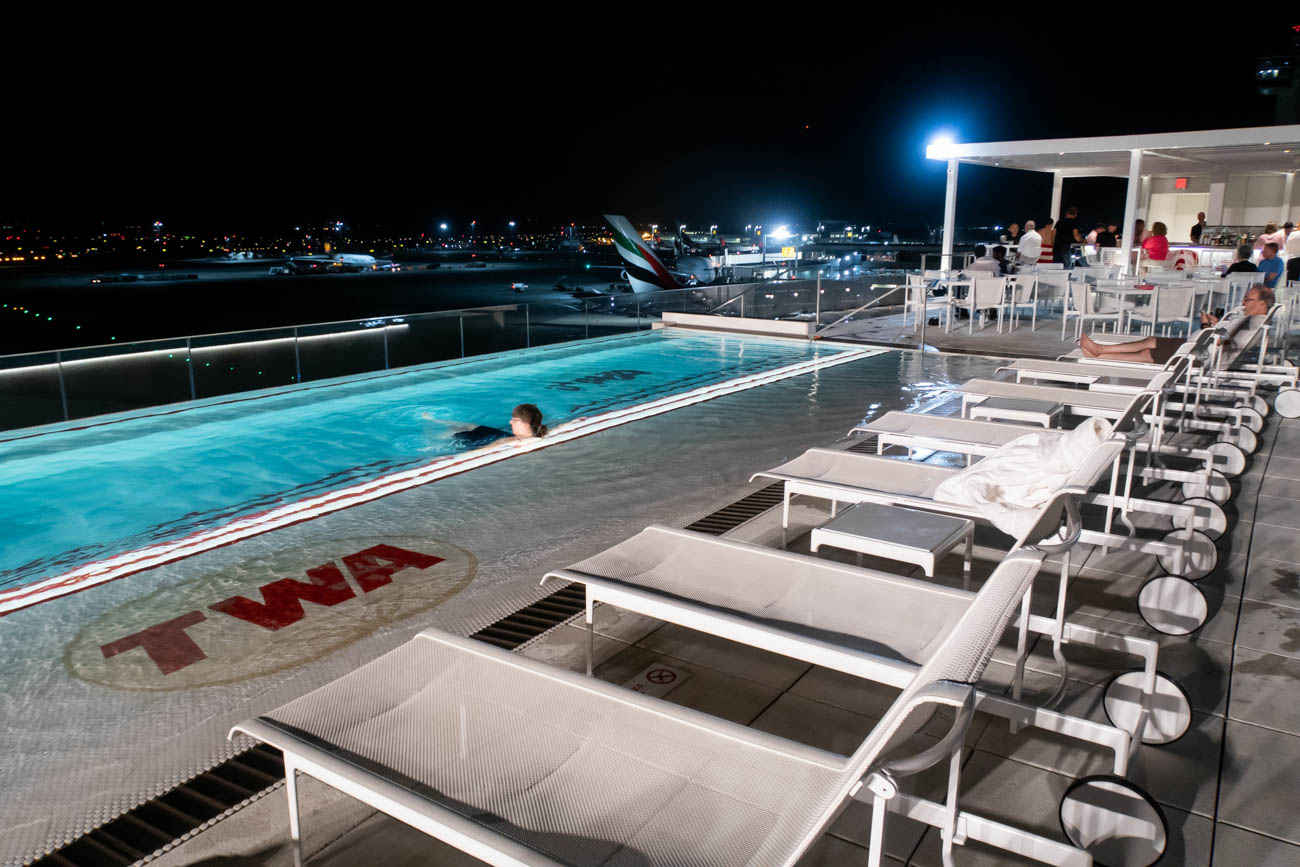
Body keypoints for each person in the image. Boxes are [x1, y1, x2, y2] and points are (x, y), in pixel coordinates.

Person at [1080, 286, 1273, 364]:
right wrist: (1215, 325)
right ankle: (1100, 349)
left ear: (1262, 303)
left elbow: (1223, 343)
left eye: (1248, 299)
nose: (1243, 302)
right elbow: (1226, 338)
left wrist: (1207, 327)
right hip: (1199, 346)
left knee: (1147, 354)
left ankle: (1100, 355)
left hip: (1202, 355)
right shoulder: (1249, 320)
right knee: (1151, 340)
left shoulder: (1250, 324)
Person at [428, 403, 549, 450]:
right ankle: (434, 419)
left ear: (526, 424)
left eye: (514, 420)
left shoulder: (513, 440)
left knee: (453, 431)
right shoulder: (536, 433)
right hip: (496, 434)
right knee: (469, 425)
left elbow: (487, 448)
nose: (510, 422)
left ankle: (431, 423)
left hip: (479, 441)